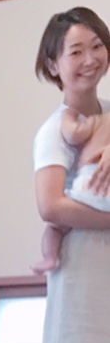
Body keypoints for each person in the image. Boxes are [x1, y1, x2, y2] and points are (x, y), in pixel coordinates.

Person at [31, 6, 110, 343]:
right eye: (75, 51)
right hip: (78, 259)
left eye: (97, 46)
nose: (90, 59)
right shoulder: (55, 130)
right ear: (53, 64)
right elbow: (51, 207)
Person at [33, 105, 110, 274]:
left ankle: (50, 257)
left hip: (90, 184)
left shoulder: (99, 120)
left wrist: (68, 116)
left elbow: (73, 135)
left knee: (55, 227)